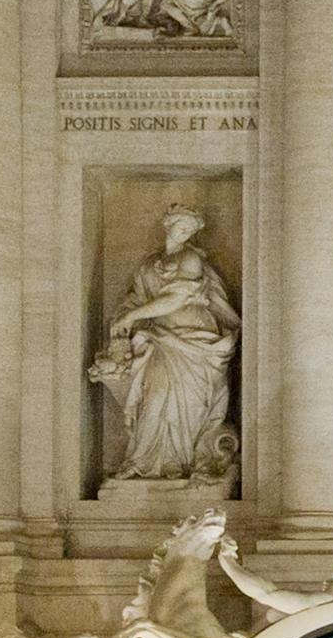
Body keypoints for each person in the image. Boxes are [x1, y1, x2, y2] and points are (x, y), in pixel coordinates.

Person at [91, 206, 240, 482]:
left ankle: (179, 462)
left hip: (196, 342)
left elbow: (176, 299)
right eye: (181, 225)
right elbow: (135, 299)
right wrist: (122, 318)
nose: (185, 232)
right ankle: (144, 461)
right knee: (156, 394)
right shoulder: (149, 265)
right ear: (168, 224)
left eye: (191, 229)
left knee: (189, 406)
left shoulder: (191, 258)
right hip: (159, 340)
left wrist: (134, 315)